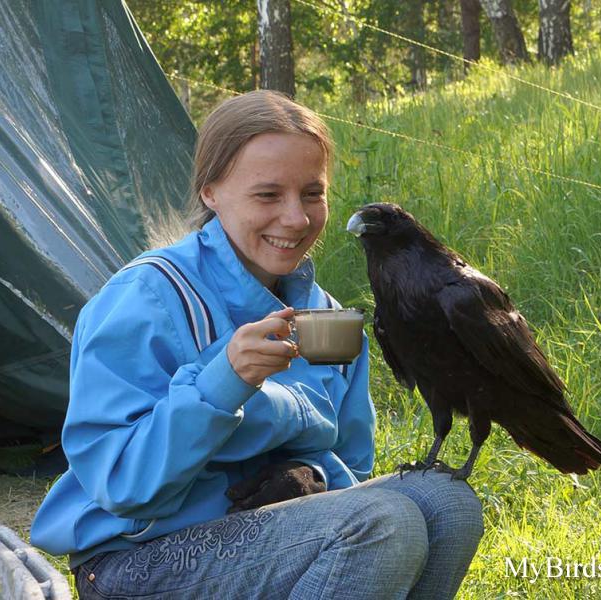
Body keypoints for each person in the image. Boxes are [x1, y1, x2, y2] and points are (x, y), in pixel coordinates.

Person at [31, 90, 483, 599]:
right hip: (135, 560)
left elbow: (353, 461)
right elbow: (120, 485)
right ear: (210, 192)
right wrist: (224, 383)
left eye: (312, 193)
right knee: (381, 523)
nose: (296, 218)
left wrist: (311, 473)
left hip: (267, 541)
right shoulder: (146, 298)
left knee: (449, 505)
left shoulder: (326, 316)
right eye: (268, 195)